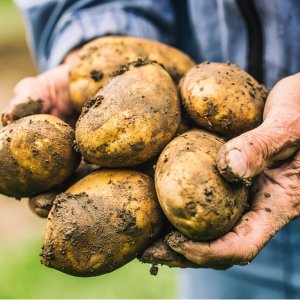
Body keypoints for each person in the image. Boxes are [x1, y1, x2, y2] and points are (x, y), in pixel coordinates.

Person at [5, 0, 300, 298]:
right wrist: (95, 44)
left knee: (205, 93)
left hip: (255, 159)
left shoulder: (199, 95)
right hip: (243, 227)